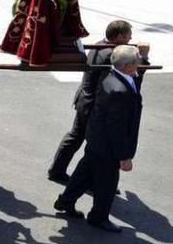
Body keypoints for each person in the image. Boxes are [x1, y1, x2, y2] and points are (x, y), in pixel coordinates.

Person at [54, 45, 145, 233]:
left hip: (96, 138)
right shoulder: (120, 91)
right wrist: (124, 157)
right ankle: (98, 217)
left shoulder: (112, 77)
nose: (140, 63)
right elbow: (117, 129)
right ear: (128, 66)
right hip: (108, 147)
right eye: (138, 60)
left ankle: (66, 201)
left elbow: (134, 83)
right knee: (107, 183)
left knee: (84, 173)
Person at [48, 20, 149, 183]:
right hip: (97, 105)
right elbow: (129, 77)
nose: (131, 38)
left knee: (76, 137)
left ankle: (58, 171)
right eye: (129, 35)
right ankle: (91, 182)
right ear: (121, 36)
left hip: (85, 99)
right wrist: (143, 58)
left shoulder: (99, 46)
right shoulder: (113, 55)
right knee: (97, 146)